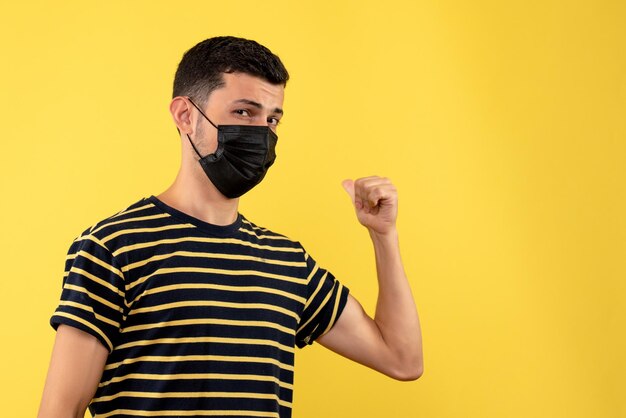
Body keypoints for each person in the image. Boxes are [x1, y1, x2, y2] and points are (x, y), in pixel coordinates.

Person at [38, 36, 423, 418]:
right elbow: (60, 410)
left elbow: (402, 359)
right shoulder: (113, 247)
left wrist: (383, 235)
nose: (262, 133)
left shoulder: (287, 261)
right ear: (185, 115)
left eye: (272, 119)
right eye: (244, 112)